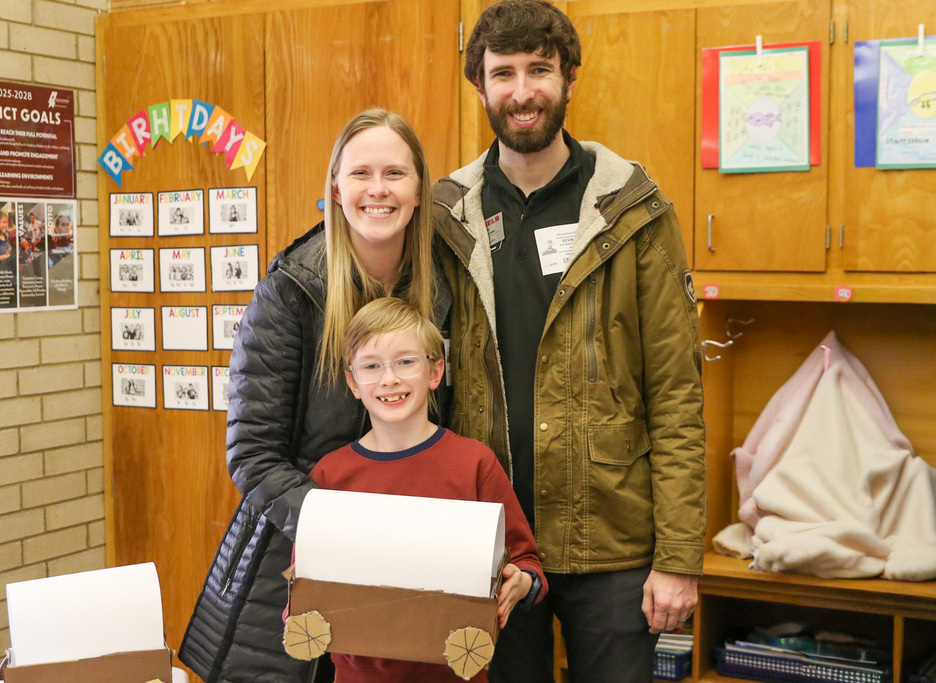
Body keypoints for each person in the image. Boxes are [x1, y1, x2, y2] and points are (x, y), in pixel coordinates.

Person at [432, 2, 706, 682]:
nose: (522, 91)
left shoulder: (634, 209)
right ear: (480, 87)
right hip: (489, 539)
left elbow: (676, 393)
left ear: (570, 79)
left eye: (539, 70)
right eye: (503, 73)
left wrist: (678, 557)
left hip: (610, 540)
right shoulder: (446, 217)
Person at [179, 109, 450, 683]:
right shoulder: (289, 293)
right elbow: (252, 455)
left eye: (395, 174)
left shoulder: (442, 287)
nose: (378, 190)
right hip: (289, 564)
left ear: (419, 189)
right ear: (336, 188)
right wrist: (350, 533)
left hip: (408, 565)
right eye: (361, 173)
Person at [303, 297, 547, 682]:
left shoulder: (474, 463)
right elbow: (306, 580)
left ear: (435, 372)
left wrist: (522, 582)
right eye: (371, 366)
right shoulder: (330, 476)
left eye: (406, 361)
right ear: (353, 383)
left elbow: (526, 560)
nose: (389, 379)